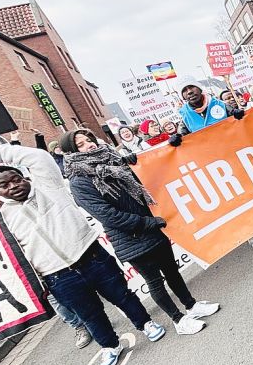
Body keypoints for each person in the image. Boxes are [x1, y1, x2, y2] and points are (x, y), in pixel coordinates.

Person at [0, 144, 166, 365]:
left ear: (25, 176)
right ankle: (110, 346)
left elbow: (37, 156)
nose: (13, 186)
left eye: (16, 179)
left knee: (122, 296)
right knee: (89, 315)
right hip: (57, 276)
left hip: (92, 257)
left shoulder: (49, 186)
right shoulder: (3, 217)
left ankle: (145, 324)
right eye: (4, 185)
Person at [60, 129, 220, 335]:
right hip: (132, 239)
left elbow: (147, 173)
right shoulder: (79, 181)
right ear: (71, 152)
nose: (89, 144)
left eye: (89, 139)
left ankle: (191, 305)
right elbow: (108, 215)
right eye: (80, 144)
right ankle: (178, 320)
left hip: (153, 229)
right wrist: (147, 222)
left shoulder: (114, 160)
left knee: (172, 271)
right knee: (155, 281)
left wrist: (154, 155)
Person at [176, 83, 253, 267]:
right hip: (218, 172)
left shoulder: (221, 106)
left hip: (240, 163)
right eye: (184, 90)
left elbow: (247, 120)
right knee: (242, 212)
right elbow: (180, 144)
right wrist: (175, 141)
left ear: (201, 90)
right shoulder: (185, 119)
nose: (189, 92)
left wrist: (246, 113)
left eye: (192, 88)